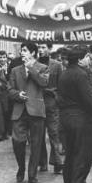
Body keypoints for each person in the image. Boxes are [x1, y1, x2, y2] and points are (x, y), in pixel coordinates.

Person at [57, 45, 92, 183]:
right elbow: (89, 100)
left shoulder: (65, 74)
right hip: (82, 119)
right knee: (83, 153)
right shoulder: (82, 74)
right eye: (87, 56)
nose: (89, 59)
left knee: (71, 152)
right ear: (80, 60)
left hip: (66, 118)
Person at [8, 41, 49, 183]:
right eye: (21, 50)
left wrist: (31, 68)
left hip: (36, 111)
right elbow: (9, 90)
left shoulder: (42, 67)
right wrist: (17, 94)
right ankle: (21, 167)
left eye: (24, 50)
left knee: (36, 143)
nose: (21, 53)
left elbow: (44, 83)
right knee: (17, 141)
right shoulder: (15, 70)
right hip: (19, 111)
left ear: (32, 52)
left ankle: (32, 173)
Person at [37, 41, 64, 174]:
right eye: (39, 47)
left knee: (54, 133)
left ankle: (57, 162)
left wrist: (57, 99)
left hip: (52, 104)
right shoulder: (33, 64)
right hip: (37, 104)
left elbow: (62, 85)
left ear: (49, 48)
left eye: (43, 47)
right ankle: (42, 162)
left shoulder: (57, 65)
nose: (40, 50)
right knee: (39, 134)